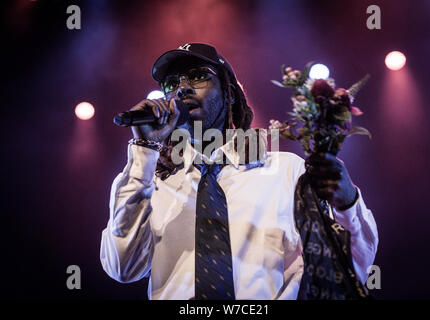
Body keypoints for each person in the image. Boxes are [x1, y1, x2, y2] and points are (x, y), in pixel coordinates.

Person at [100, 43, 378, 300]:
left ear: (230, 94)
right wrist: (145, 148)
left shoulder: (285, 171)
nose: (182, 88)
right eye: (172, 83)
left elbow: (351, 267)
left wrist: (347, 204)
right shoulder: (150, 183)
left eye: (198, 76)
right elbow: (123, 268)